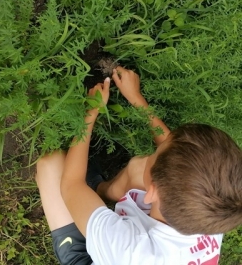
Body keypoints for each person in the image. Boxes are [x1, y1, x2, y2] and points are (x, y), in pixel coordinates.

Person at [36, 66, 242, 265]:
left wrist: (91, 112)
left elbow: (71, 184)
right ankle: (100, 190)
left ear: (152, 192)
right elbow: (174, 148)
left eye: (156, 154)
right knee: (139, 168)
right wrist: (136, 98)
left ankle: (90, 199)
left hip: (93, 256)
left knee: (51, 163)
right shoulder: (218, 204)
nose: (158, 148)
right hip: (140, 231)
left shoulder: (129, 251)